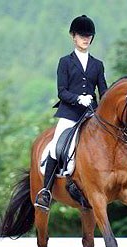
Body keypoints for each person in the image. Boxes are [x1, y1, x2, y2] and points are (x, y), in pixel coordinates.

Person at [35, 15, 107, 211]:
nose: (86, 39)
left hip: (90, 115)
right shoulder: (65, 62)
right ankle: (46, 192)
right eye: (82, 35)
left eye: (89, 35)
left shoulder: (97, 64)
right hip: (69, 113)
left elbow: (104, 91)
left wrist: (103, 108)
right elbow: (62, 91)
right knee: (56, 147)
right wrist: (78, 99)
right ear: (73, 37)